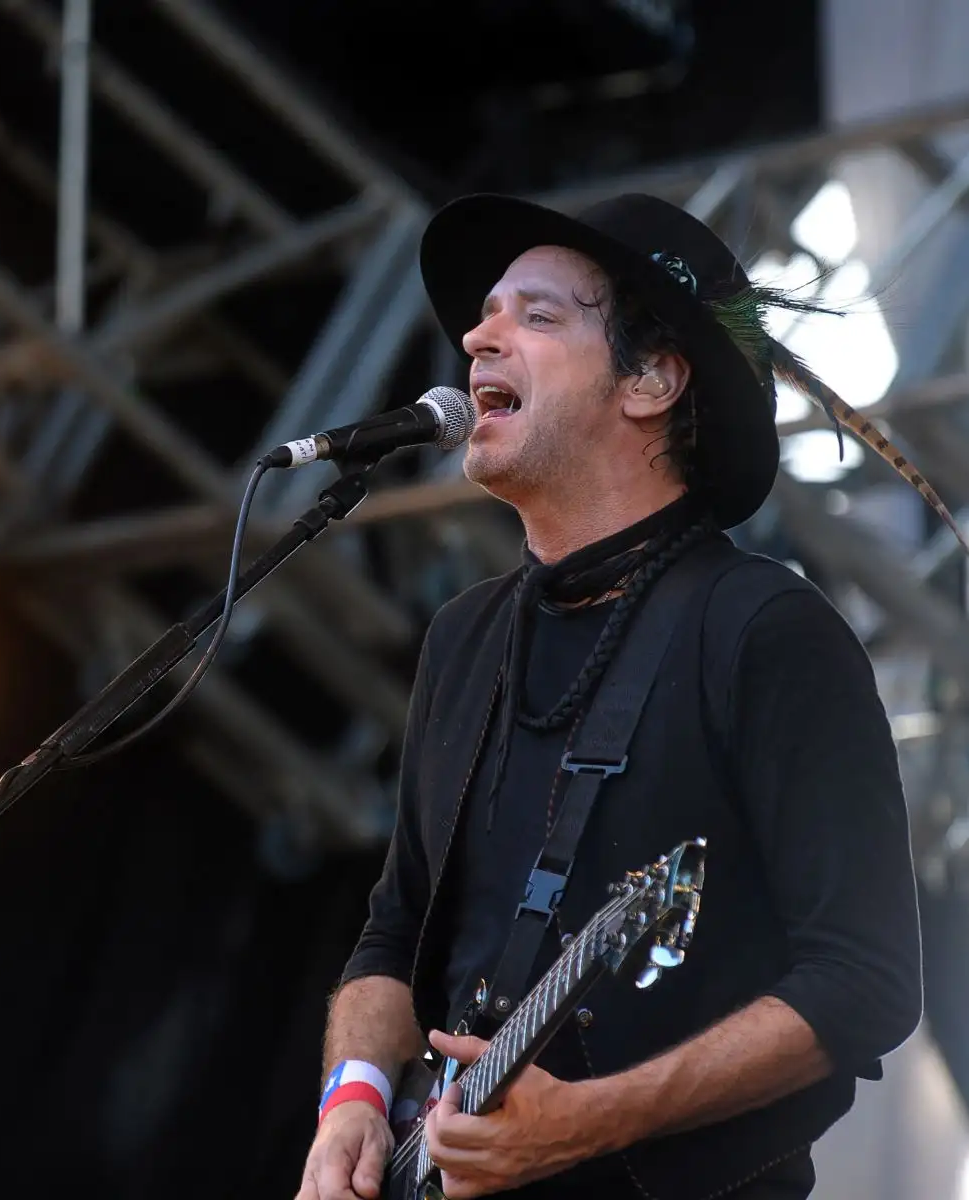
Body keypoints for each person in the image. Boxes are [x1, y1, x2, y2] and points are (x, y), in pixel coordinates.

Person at [295, 192, 948, 1200]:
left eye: (537, 316)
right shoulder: (464, 637)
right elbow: (397, 927)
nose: (477, 335)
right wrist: (356, 1098)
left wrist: (592, 1123)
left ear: (651, 379)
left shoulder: (768, 631)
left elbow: (865, 982)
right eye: (486, 313)